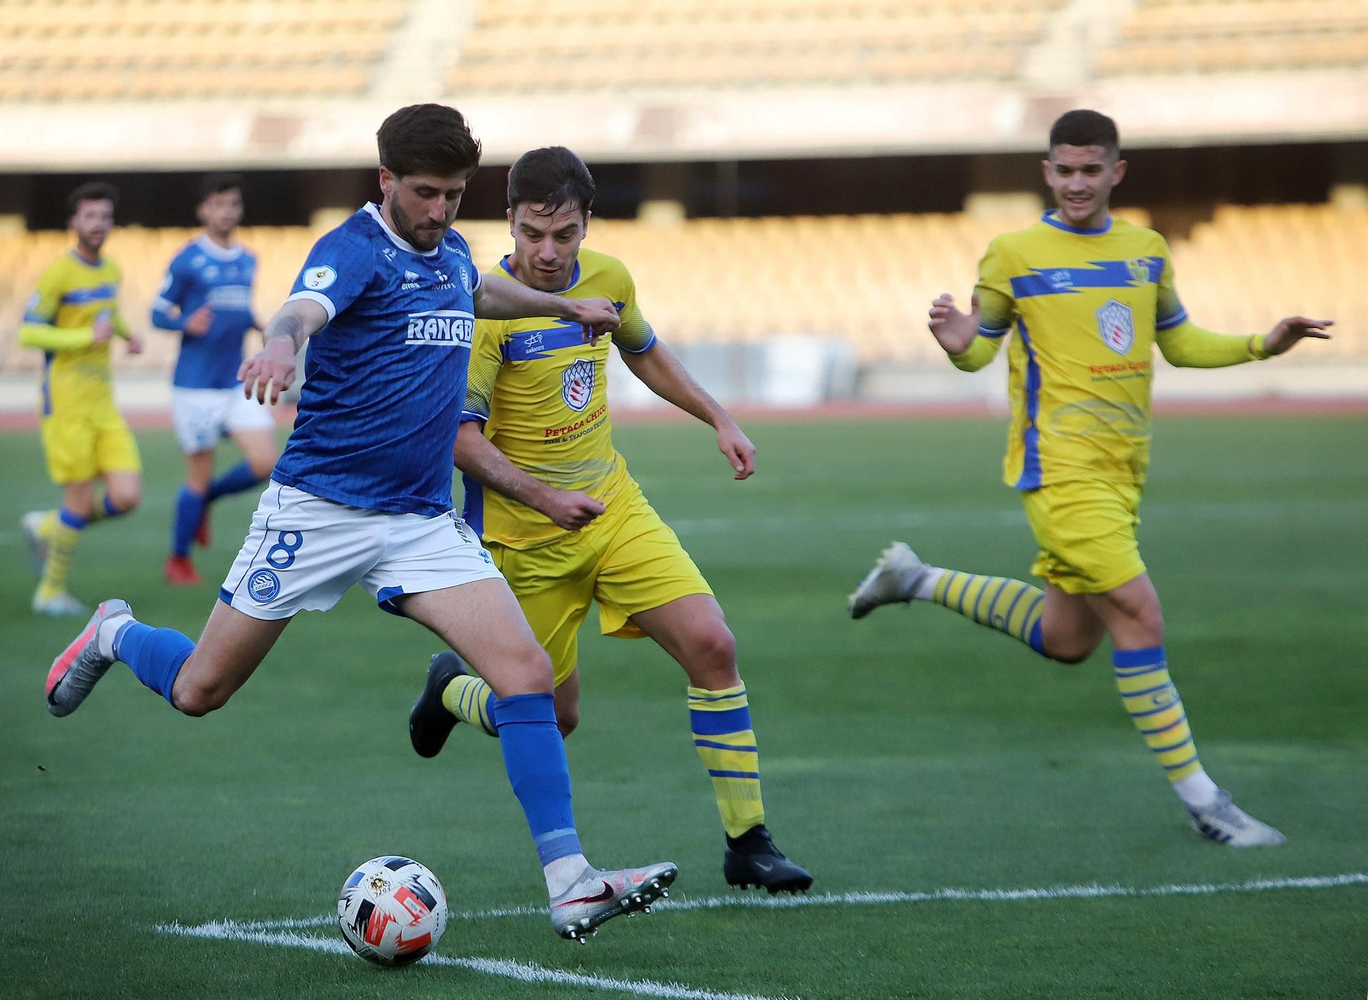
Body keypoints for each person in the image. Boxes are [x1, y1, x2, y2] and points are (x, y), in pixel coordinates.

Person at [43, 105, 677, 942]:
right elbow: (301, 313)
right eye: (424, 192)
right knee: (201, 690)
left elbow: (477, 288)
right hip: (319, 510)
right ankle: (115, 633)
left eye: (453, 194)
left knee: (526, 674)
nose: (440, 210)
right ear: (386, 181)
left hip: (417, 518)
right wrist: (277, 348)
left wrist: (564, 309)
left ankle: (570, 882)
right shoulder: (351, 251)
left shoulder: (449, 248)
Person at [848, 109, 1331, 846]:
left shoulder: (1146, 250)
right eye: (1064, 170)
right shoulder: (1013, 253)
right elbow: (980, 352)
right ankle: (1208, 804)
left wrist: (1263, 344)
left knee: (1069, 638)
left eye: (1090, 170)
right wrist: (956, 344)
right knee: (1141, 615)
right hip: (1059, 469)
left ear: (1115, 172)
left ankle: (915, 580)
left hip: (1123, 469)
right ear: (1047, 172)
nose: (1077, 183)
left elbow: (1181, 342)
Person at [405, 146, 812, 894]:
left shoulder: (612, 279)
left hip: (614, 508)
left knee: (712, 645)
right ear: (510, 223)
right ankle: (451, 692)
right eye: (533, 234)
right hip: (523, 541)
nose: (549, 252)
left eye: (564, 234)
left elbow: (643, 350)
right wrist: (547, 502)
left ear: (587, 223)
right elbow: (459, 441)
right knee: (553, 719)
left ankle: (749, 843)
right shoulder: (481, 311)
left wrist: (718, 418)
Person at [19, 182, 145, 617]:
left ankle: (47, 526)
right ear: (74, 222)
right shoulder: (58, 273)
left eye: (105, 217)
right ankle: (49, 591)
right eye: (89, 216)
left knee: (127, 496)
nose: (98, 225)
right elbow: (28, 330)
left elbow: (108, 315)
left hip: (103, 403)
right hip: (67, 403)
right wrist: (82, 337)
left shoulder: (110, 269)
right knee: (78, 499)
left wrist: (128, 335)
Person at [151, 173, 277, 585]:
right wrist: (186, 322)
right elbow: (157, 313)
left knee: (265, 462)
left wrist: (257, 322)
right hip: (195, 386)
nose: (227, 212)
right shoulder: (187, 259)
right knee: (197, 475)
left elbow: (236, 308)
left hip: (235, 380)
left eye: (233, 204)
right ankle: (178, 559)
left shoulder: (247, 258)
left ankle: (205, 502)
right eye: (218, 204)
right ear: (204, 210)